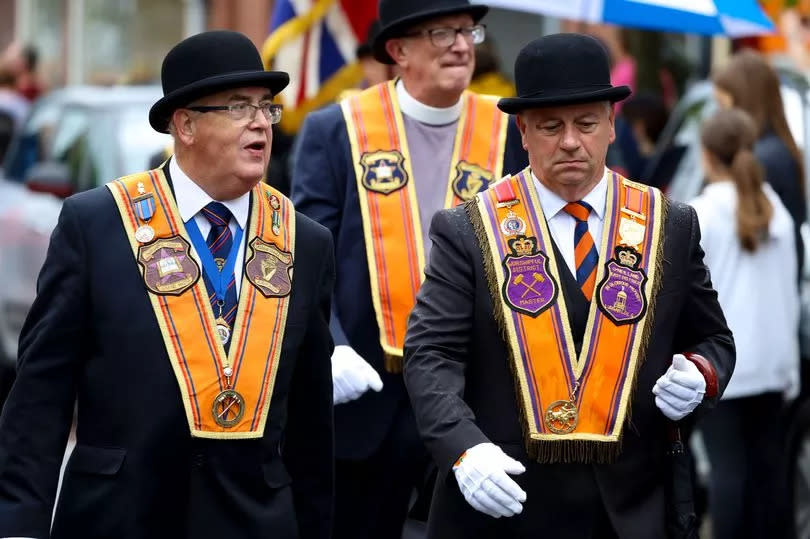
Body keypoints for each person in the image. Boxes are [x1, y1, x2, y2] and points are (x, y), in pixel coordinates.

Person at [0, 30, 334, 539]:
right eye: (238, 107)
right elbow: (40, 392)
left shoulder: (303, 241)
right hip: (119, 515)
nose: (260, 123)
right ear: (185, 124)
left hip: (253, 520)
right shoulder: (97, 223)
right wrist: (19, 523)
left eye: (267, 108)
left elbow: (312, 421)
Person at [402, 33, 735, 538]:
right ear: (523, 131)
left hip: (632, 507)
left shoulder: (669, 223)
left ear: (610, 124)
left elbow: (714, 339)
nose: (571, 142)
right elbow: (431, 355)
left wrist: (701, 371)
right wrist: (464, 449)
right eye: (551, 126)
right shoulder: (469, 229)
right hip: (507, 501)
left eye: (585, 123)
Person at [291, 0, 528, 536]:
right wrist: (328, 344)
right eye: (442, 32)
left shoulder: (507, 129)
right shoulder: (338, 129)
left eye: (468, 30)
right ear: (398, 50)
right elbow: (307, 257)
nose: (461, 44)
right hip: (366, 392)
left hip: (475, 394)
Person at [691, 108, 799, 539]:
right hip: (773, 363)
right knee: (768, 473)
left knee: (728, 472)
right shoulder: (776, 208)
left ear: (707, 155)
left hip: (726, 366)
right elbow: (789, 291)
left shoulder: (699, 213)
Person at [712, 49, 806, 280]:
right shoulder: (779, 148)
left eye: (724, 105)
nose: (720, 116)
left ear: (744, 101)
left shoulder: (764, 158)